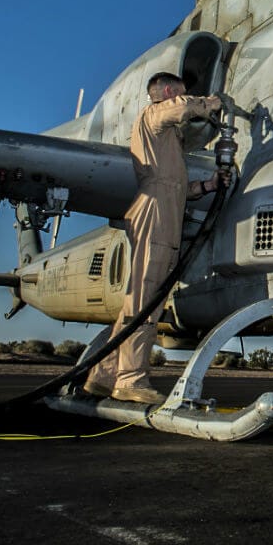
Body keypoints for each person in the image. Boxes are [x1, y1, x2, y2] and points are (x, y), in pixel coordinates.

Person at [83, 72, 232, 404]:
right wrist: (213, 103)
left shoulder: (165, 140)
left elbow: (177, 187)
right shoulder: (155, 113)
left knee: (140, 300)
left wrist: (206, 186)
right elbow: (180, 108)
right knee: (146, 300)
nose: (185, 97)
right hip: (155, 211)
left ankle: (105, 375)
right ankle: (132, 380)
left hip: (164, 207)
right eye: (181, 91)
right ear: (167, 91)